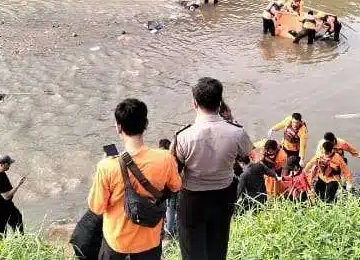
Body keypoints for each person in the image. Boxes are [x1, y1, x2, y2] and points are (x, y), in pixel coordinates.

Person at [88, 99, 182, 260]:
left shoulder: (107, 166)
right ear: (146, 124)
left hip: (117, 242)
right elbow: (176, 187)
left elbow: (96, 207)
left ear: (118, 127)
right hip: (149, 240)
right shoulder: (165, 159)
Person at [173, 77, 254, 260]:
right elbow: (246, 155)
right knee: (218, 248)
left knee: (192, 252)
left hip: (192, 199)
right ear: (220, 103)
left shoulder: (183, 136)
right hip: (223, 197)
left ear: (195, 104)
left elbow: (175, 171)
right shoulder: (237, 132)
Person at [0, 154, 25, 238]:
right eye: (8, 164)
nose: (10, 165)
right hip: (1, 205)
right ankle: (19, 240)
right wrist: (18, 185)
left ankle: (17, 239)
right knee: (4, 226)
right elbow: (7, 196)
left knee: (14, 219)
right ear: (2, 164)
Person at [158, 139, 178, 239]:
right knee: (172, 206)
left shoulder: (156, 156)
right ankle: (170, 229)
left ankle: (163, 230)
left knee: (163, 207)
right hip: (173, 185)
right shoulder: (172, 155)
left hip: (160, 187)